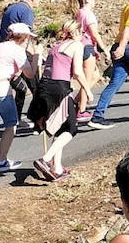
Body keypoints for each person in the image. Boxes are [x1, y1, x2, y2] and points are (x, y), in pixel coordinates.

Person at [30, 19, 93, 181]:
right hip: (59, 88)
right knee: (71, 128)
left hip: (44, 87)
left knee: (61, 127)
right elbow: (78, 72)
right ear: (77, 32)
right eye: (82, 33)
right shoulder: (77, 46)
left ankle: (56, 167)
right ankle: (45, 159)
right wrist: (87, 90)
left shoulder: (56, 46)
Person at [0, 22, 37, 173]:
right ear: (24, 37)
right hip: (0, 88)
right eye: (28, 38)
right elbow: (30, 74)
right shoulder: (17, 50)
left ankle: (3, 161)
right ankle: (2, 161)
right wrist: (36, 58)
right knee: (11, 124)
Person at [72, 0, 107, 120]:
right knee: (87, 79)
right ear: (86, 0)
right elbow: (94, 33)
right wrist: (103, 48)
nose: (94, 1)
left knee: (95, 75)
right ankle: (81, 109)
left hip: (81, 46)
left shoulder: (78, 13)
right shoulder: (88, 14)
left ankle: (76, 101)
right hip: (86, 47)